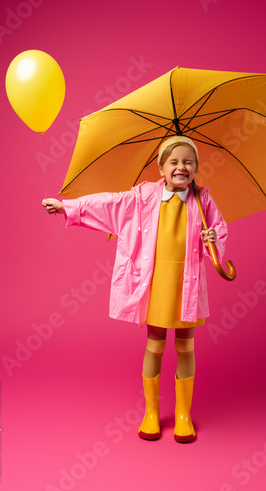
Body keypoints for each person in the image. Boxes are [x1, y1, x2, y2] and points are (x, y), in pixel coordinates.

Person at [42, 136, 228, 443]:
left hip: (186, 282)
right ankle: (151, 412)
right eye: (174, 161)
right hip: (156, 281)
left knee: (186, 346)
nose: (181, 167)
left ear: (196, 167)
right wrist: (68, 207)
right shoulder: (143, 196)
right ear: (161, 166)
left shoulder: (203, 200)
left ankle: (183, 414)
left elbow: (218, 232)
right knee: (154, 344)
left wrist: (212, 238)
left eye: (188, 162)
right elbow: (109, 204)